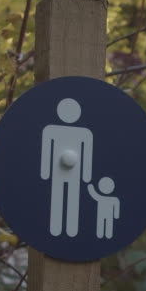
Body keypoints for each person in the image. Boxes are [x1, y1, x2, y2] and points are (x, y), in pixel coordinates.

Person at [41, 98, 93, 237]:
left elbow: (87, 154)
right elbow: (47, 151)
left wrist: (86, 174)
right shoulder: (51, 130)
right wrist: (45, 171)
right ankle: (55, 229)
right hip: (57, 171)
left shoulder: (85, 133)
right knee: (57, 197)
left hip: (75, 174)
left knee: (73, 199)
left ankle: (71, 230)